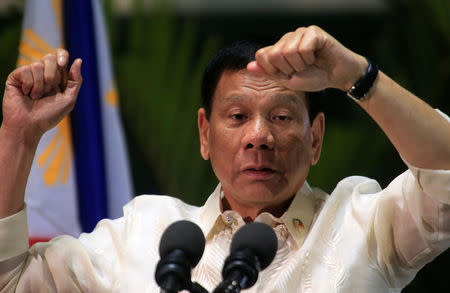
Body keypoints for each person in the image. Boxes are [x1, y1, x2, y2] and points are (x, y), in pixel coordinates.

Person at [0, 25, 449, 292]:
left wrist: (355, 75)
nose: (259, 136)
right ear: (204, 133)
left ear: (315, 138)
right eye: (237, 116)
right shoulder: (144, 234)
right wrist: (18, 138)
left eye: (280, 116)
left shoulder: (364, 224)